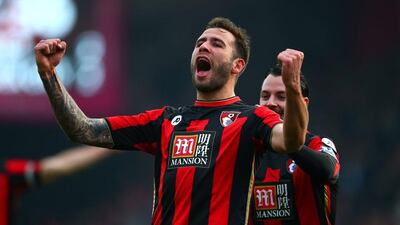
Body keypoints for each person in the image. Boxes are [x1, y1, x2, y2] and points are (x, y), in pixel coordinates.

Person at [34, 17, 309, 225]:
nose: (204, 47)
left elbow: (292, 140)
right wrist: (49, 75)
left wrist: (293, 86)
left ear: (237, 65)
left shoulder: (252, 119)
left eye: (217, 44)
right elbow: (83, 130)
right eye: (200, 43)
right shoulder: (166, 121)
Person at [249, 65, 340, 225]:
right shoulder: (250, 153)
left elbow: (327, 169)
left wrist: (289, 143)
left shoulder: (316, 144)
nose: (270, 103)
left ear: (302, 104)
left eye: (281, 97)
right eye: (265, 96)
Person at [0, 145, 114, 225]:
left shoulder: (7, 173)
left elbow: (57, 167)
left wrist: (106, 146)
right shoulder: (6, 173)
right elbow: (57, 167)